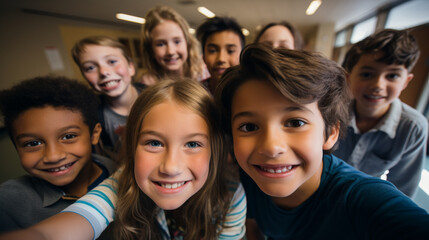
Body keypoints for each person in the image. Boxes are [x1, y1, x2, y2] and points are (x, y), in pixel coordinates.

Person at [216, 44, 429, 239]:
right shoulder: (246, 177)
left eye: (295, 122)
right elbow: (252, 224)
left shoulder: (362, 198)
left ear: (331, 133)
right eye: (249, 127)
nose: (271, 147)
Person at [0, 79, 246, 240]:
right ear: (132, 146)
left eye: (192, 144)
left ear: (215, 149)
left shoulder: (231, 195)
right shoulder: (122, 182)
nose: (171, 167)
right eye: (154, 143)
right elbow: (78, 220)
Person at [0, 76, 115, 233]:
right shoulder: (7, 202)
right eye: (33, 144)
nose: (53, 156)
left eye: (68, 136)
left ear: (94, 134)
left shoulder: (117, 170)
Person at [333, 29, 428, 198]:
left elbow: (403, 189)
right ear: (348, 77)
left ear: (406, 81)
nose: (378, 85)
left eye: (392, 75)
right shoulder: (331, 111)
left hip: (365, 200)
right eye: (367, 74)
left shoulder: (412, 127)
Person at [72, 36, 146, 156]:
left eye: (112, 62)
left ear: (131, 67)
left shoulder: (158, 98)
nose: (103, 72)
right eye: (90, 68)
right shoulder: (91, 114)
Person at [138, 6, 207, 85]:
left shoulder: (204, 73)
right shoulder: (147, 84)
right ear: (150, 49)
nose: (170, 51)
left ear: (188, 43)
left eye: (177, 42)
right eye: (160, 44)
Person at [196, 16, 245, 93]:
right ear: (204, 57)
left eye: (230, 51)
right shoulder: (196, 94)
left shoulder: (250, 93)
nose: (221, 59)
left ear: (242, 56)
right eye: (212, 51)